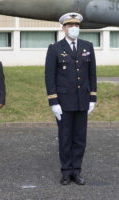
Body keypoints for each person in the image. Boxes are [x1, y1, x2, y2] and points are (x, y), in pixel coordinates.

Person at [45, 13, 97, 185]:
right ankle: (66, 171)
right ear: (63, 28)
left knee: (80, 138)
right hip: (64, 102)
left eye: (76, 25)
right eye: (70, 25)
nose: (74, 28)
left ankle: (77, 171)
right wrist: (53, 102)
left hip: (82, 101)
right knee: (66, 137)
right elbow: (49, 77)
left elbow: (92, 74)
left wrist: (92, 98)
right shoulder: (55, 48)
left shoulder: (87, 46)